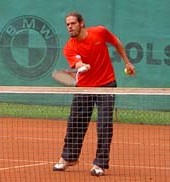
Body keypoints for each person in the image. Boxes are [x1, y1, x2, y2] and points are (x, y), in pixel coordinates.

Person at [53, 11, 136, 176]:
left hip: (106, 85)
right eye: (67, 24)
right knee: (75, 123)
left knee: (104, 125)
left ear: (81, 23)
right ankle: (68, 157)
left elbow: (116, 41)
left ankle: (100, 164)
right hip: (84, 88)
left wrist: (127, 61)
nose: (70, 27)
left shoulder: (99, 32)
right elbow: (76, 63)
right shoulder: (69, 47)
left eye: (73, 23)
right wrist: (81, 65)